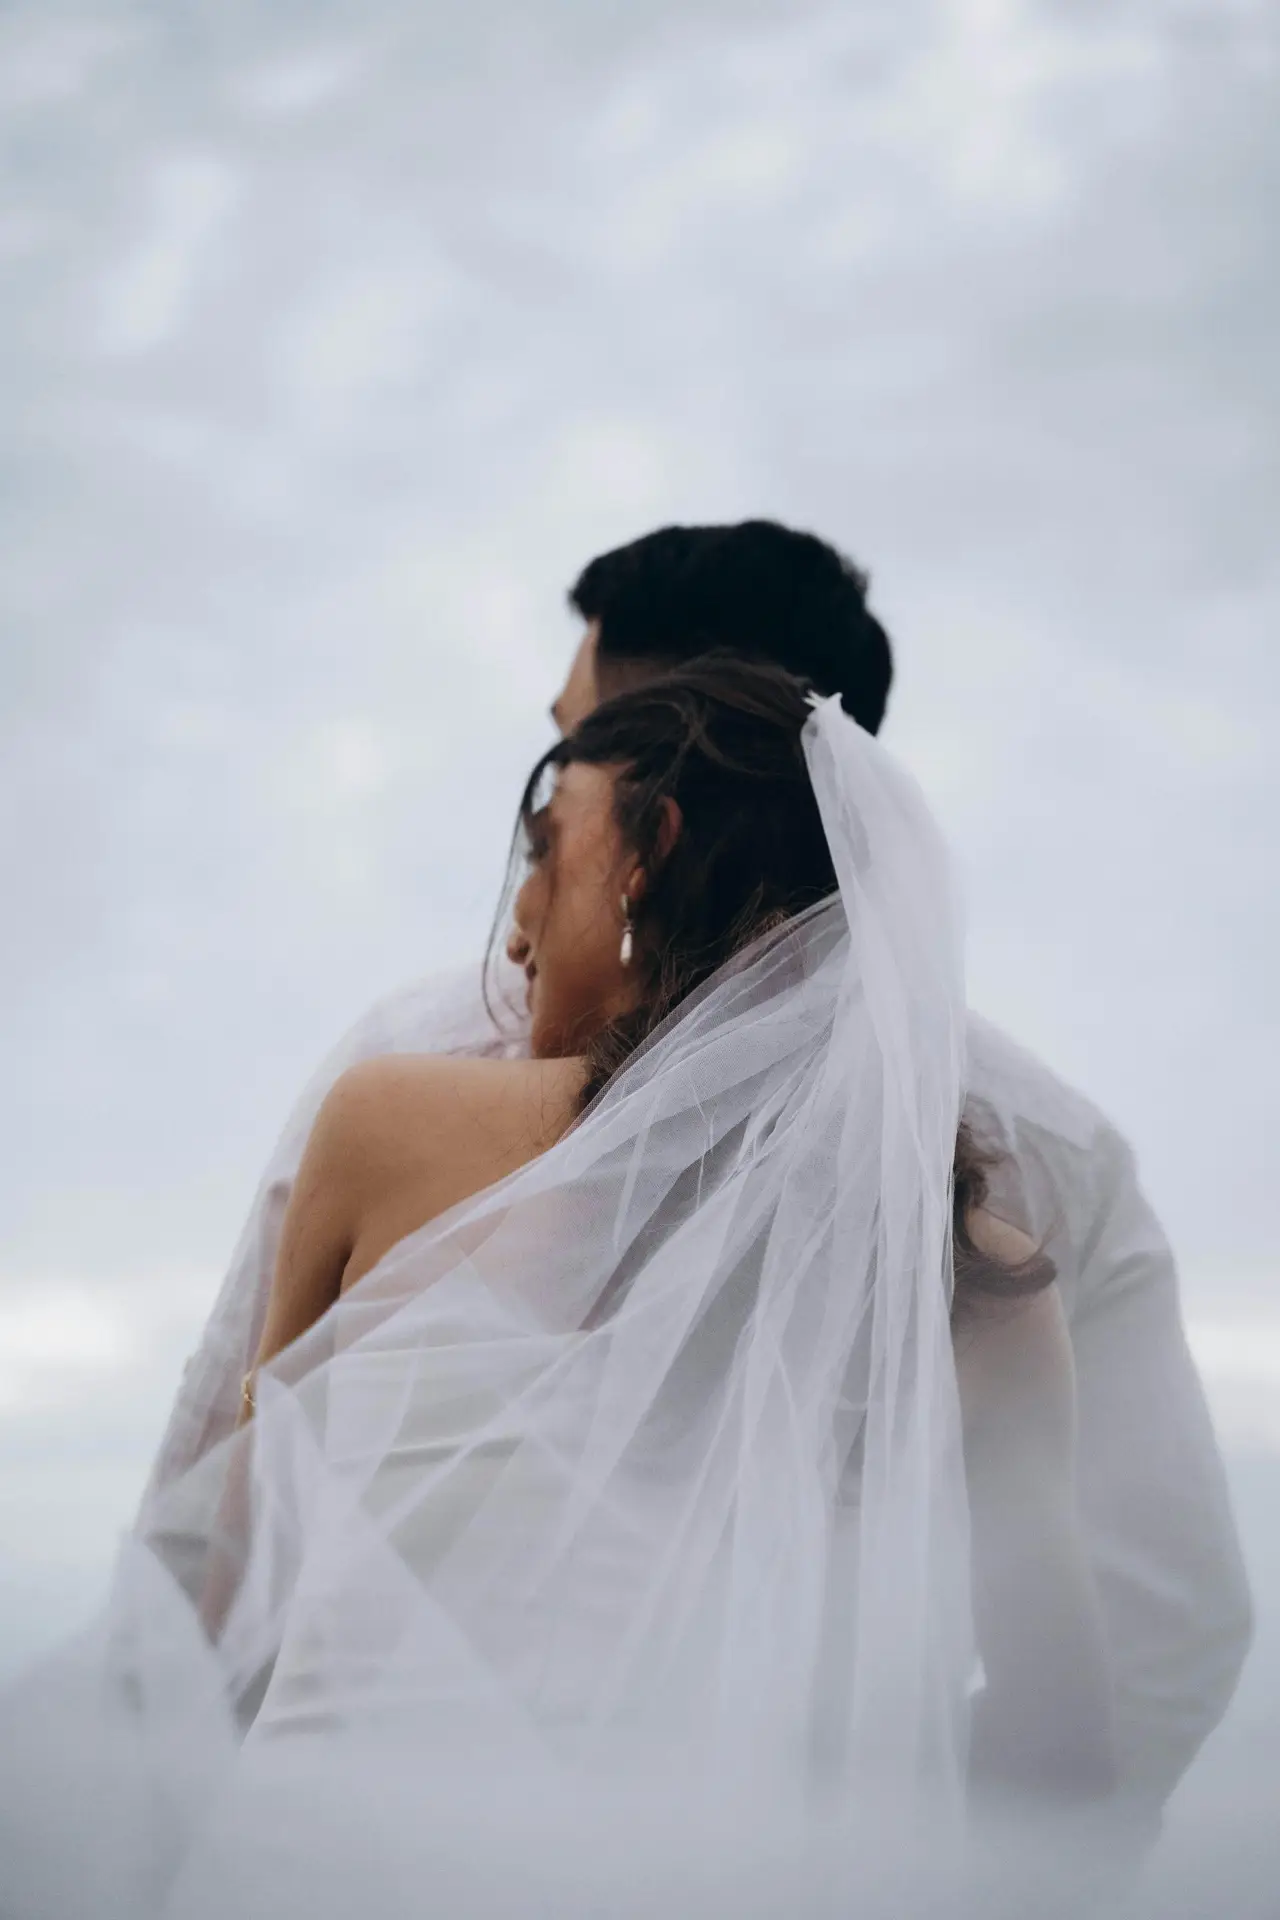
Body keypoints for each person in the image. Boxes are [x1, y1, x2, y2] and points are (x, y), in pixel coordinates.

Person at [141, 519, 1250, 1832]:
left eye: (565, 768)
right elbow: (1153, 1641)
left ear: (652, 813)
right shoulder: (1037, 1178)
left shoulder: (399, 1081)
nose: (519, 906)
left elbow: (205, 1547)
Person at [2, 664, 1109, 1918]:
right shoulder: (977, 1281)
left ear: (649, 852)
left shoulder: (387, 1122)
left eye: (545, 853)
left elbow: (234, 1600)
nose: (519, 926)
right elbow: (1059, 1748)